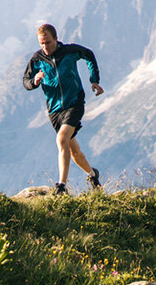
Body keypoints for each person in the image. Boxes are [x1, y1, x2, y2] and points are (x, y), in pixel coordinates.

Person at [22, 23, 104, 194]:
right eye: (41, 43)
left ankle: (61, 186)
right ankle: (92, 175)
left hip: (74, 103)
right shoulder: (37, 59)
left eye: (48, 42)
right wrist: (35, 82)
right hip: (54, 109)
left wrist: (94, 79)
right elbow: (26, 82)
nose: (45, 47)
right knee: (73, 150)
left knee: (61, 139)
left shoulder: (69, 51)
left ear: (56, 39)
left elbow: (88, 55)